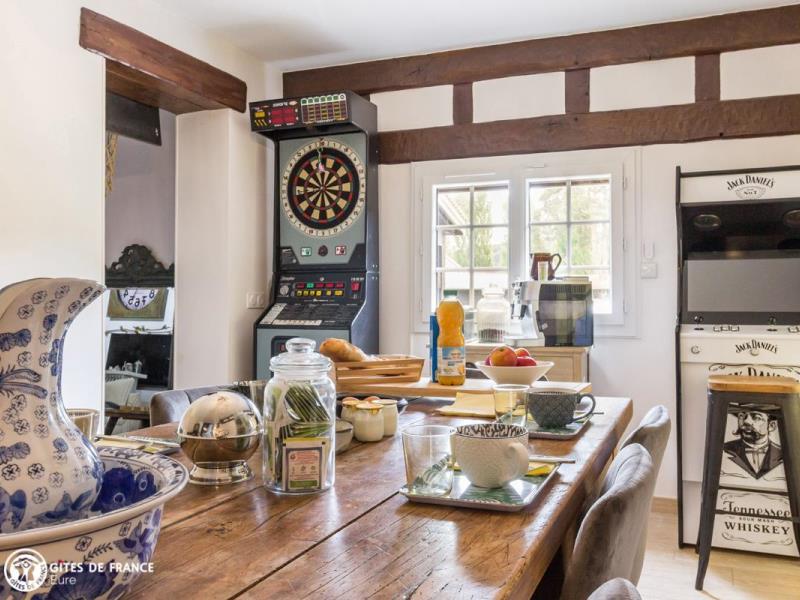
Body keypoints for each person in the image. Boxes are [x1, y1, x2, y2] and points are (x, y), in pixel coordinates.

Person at [723, 405, 783, 480]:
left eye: (756, 418)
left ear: (771, 426)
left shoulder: (782, 454)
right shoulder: (724, 449)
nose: (746, 421)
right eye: (742, 416)